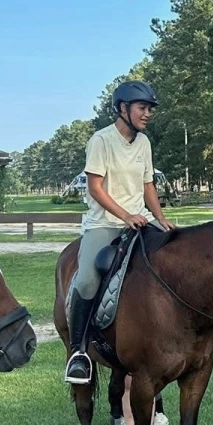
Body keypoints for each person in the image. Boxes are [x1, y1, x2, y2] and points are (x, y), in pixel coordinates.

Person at [63, 81, 178, 385]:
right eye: (143, 107)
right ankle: (78, 353)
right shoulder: (101, 141)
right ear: (123, 108)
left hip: (139, 220)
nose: (148, 114)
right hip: (104, 224)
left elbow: (147, 185)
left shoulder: (144, 143)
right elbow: (95, 188)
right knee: (87, 278)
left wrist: (161, 218)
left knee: (178, 255)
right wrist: (125, 215)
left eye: (150, 108)